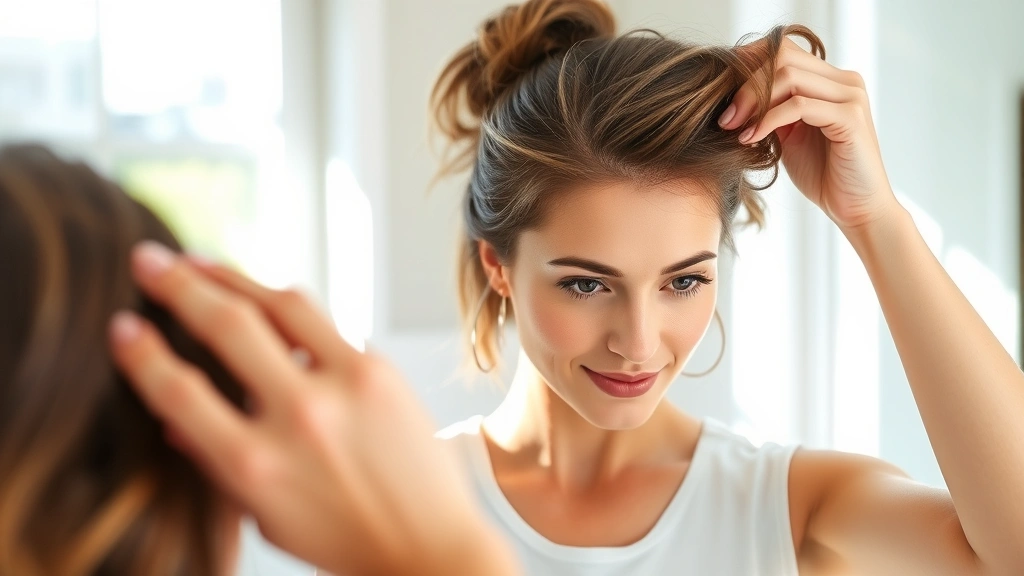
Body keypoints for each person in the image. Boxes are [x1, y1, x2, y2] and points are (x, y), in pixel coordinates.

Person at [111, 0, 1024, 575]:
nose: (639, 339)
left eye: (684, 281)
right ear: (497, 266)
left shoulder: (792, 510)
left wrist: (879, 222)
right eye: (588, 285)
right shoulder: (388, 498)